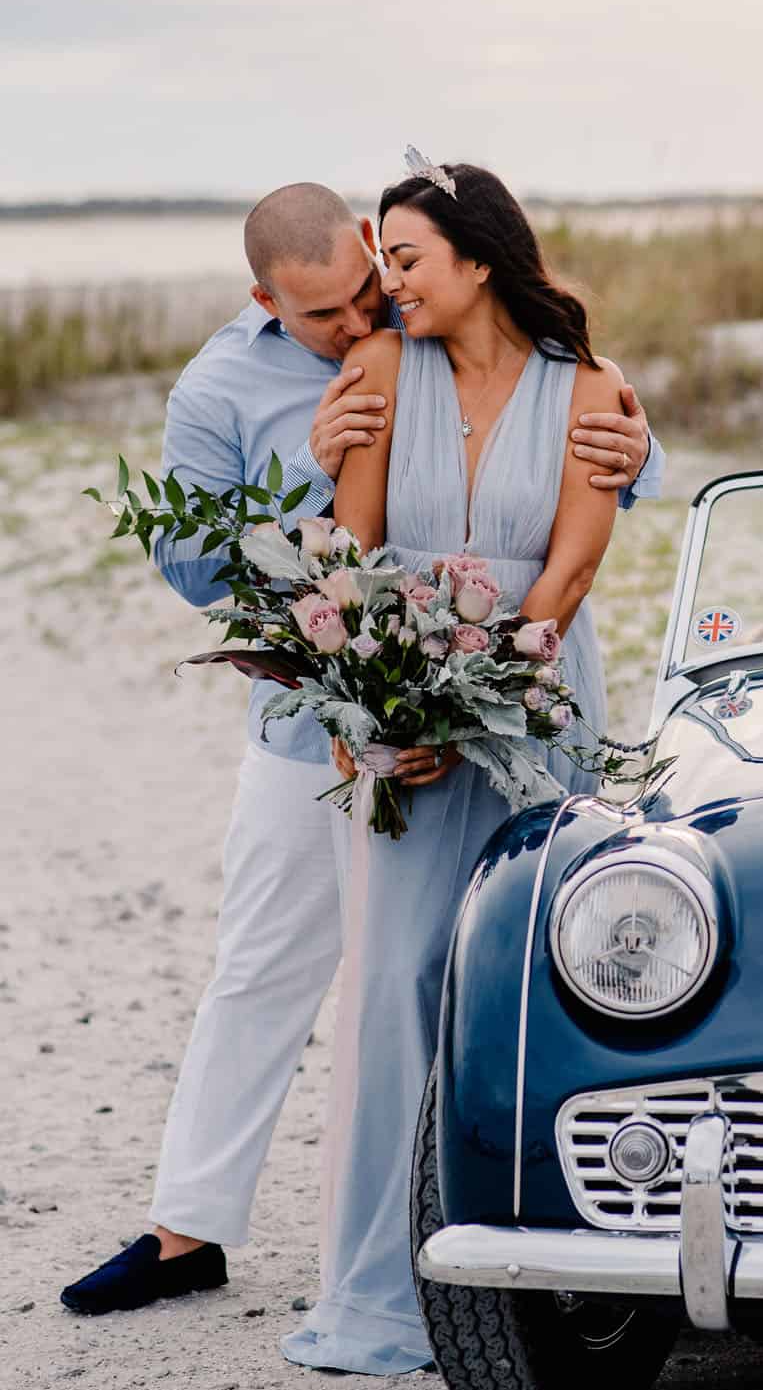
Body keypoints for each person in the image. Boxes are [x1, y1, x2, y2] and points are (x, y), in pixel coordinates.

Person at [60, 181, 662, 1317]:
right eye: (327, 314)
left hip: (505, 701)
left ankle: (519, 1228)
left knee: (501, 962)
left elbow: (587, 428)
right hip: (316, 719)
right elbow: (199, 570)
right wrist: (311, 487)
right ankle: (187, 1229)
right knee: (272, 962)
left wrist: (639, 444)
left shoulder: (414, 310)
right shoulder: (217, 389)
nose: (360, 320)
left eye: (367, 290)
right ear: (264, 300)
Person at [281, 156, 623, 1375]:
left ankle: (553, 1265)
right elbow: (353, 548)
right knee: (392, 979)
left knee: (540, 975)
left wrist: (488, 685)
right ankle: (376, 1284)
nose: (390, 283)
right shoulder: (378, 370)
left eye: (409, 260)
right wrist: (375, 696)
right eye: (383, 261)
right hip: (407, 719)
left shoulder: (592, 388)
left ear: (478, 259)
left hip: (533, 707)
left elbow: (570, 573)